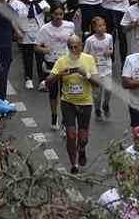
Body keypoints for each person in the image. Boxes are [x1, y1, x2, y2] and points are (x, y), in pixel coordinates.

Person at [45, 33, 98, 173]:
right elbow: (48, 81)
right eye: (71, 47)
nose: (74, 49)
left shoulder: (89, 59)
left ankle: (82, 149)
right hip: (68, 102)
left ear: (81, 46)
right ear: (68, 47)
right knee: (71, 134)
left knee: (83, 138)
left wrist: (85, 74)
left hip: (85, 102)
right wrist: (58, 75)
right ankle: (73, 164)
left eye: (77, 47)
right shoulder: (62, 61)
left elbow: (97, 83)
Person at [34, 3, 75, 128]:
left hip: (65, 63)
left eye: (61, 14)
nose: (58, 17)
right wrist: (44, 50)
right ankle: (54, 116)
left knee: (65, 93)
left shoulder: (70, 26)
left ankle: (64, 121)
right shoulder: (45, 29)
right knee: (53, 93)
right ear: (51, 14)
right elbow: (36, 47)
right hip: (51, 63)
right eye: (56, 14)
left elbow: (73, 42)